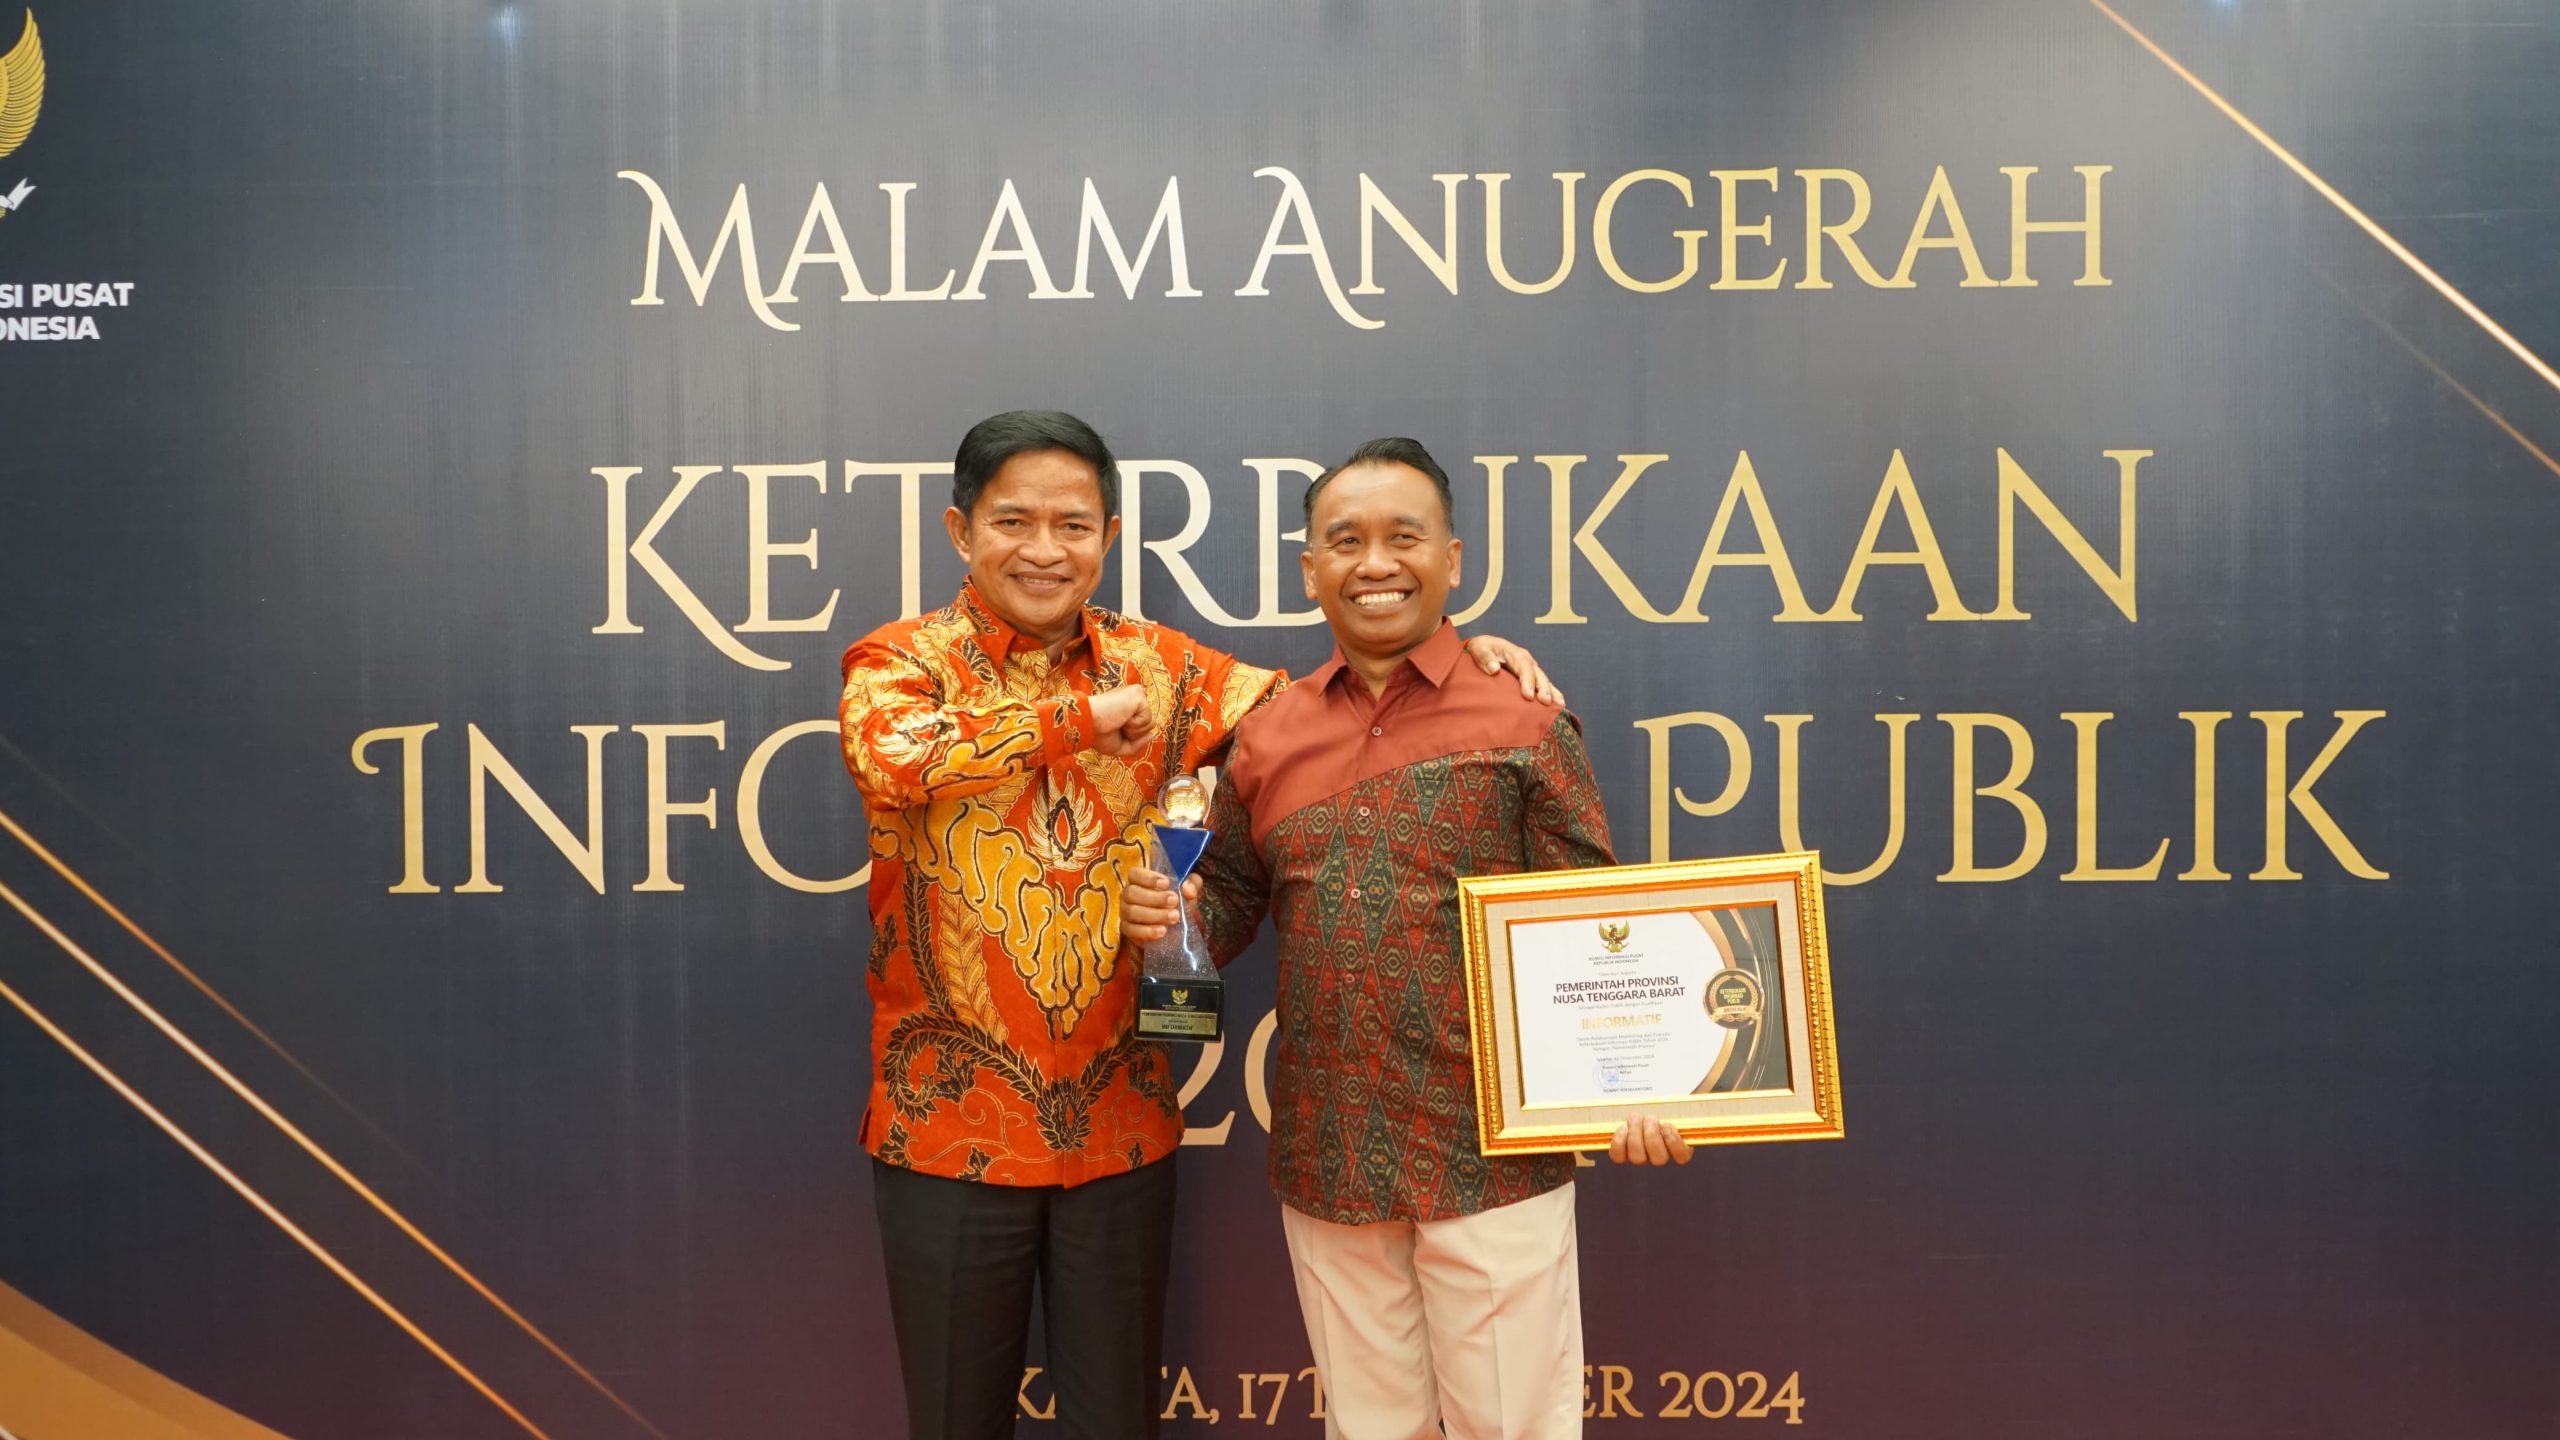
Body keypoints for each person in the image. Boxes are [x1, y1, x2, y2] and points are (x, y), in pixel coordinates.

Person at [837, 411, 1561, 1440]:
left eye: (1072, 525)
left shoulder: (1165, 665)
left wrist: (1454, 657)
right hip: (946, 1120)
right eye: (1014, 522)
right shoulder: (901, 660)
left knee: (1119, 1422)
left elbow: (1331, 710)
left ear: (1108, 537)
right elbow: (890, 756)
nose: (1045, 549)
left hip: (1118, 1124)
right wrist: (1081, 720)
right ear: (962, 531)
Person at [1159, 436, 1692, 1440]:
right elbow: (1227, 900)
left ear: (1451, 559)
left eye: (1403, 538)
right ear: (1309, 569)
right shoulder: (1266, 735)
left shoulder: (1525, 715)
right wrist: (1177, 920)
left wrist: (1640, 1085)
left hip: (1493, 1152)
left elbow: (1595, 926)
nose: (1376, 563)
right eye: (1345, 541)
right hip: (1329, 1149)